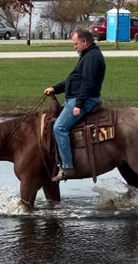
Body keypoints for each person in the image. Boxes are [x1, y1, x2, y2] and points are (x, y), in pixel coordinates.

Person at [43, 28, 106, 182]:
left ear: (84, 42)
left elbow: (88, 83)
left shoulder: (92, 57)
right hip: (77, 98)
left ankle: (67, 167)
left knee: (59, 127)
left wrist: (79, 104)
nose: (75, 47)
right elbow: (75, 80)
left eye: (76, 44)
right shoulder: (88, 55)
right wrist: (55, 88)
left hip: (84, 100)